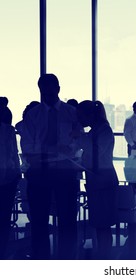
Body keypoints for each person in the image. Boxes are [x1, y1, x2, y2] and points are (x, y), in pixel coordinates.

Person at [20, 73, 82, 259]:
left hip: (64, 169)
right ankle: (42, 263)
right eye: (43, 91)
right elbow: (27, 146)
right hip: (40, 171)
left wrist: (45, 150)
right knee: (39, 220)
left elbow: (78, 141)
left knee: (68, 219)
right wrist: (54, 148)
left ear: (58, 89)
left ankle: (67, 260)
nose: (46, 94)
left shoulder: (71, 113)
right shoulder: (33, 115)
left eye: (50, 90)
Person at [76, 100, 118, 259]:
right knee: (100, 222)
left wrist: (79, 137)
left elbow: (95, 154)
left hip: (103, 179)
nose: (79, 120)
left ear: (90, 115)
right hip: (97, 179)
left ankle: (105, 256)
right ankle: (103, 255)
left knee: (103, 223)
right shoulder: (95, 131)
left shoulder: (104, 131)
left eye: (81, 116)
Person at [0, 102, 21, 259]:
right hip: (8, 179)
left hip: (6, 177)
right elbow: (13, 155)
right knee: (4, 218)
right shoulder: (8, 130)